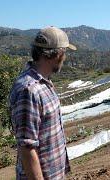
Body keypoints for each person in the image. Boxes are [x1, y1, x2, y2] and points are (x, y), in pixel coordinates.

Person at [9, 26, 77, 179]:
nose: (65, 58)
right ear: (58, 54)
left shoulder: (44, 83)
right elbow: (27, 148)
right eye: (64, 53)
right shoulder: (29, 91)